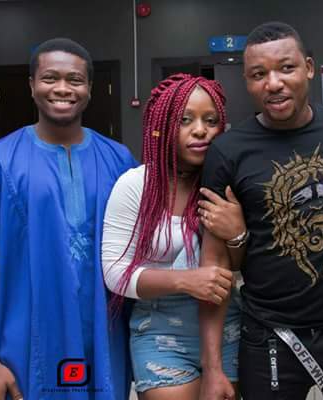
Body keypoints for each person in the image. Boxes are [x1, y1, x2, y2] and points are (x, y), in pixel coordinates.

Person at [198, 21, 323, 400]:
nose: (273, 83)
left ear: (309, 68)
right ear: (246, 81)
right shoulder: (228, 151)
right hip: (271, 334)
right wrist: (213, 367)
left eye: (286, 68)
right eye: (258, 74)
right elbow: (214, 266)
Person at [0, 38, 138, 399]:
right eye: (50, 78)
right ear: (32, 85)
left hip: (104, 334)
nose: (63, 88)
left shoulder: (119, 160)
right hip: (27, 340)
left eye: (75, 79)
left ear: (90, 88)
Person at [101, 73, 246, 400]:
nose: (200, 130)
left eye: (211, 120)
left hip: (226, 330)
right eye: (185, 120)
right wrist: (186, 281)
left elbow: (243, 266)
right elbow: (115, 272)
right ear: (163, 126)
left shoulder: (229, 184)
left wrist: (237, 233)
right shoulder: (135, 186)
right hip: (159, 333)